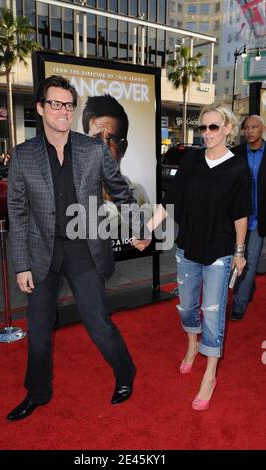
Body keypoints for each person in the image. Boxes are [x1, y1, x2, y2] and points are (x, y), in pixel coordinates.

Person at [7, 75, 138, 421]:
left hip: (84, 249)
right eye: (55, 103)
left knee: (97, 324)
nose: (63, 111)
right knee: (37, 330)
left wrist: (139, 227)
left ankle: (125, 372)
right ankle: (37, 392)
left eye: (68, 104)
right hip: (40, 254)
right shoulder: (22, 156)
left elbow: (121, 192)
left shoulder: (93, 149)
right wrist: (20, 264)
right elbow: (17, 214)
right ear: (40, 108)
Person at [132, 103, 251, 411]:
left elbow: (240, 216)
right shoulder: (191, 161)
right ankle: (191, 345)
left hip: (220, 254)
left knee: (213, 313)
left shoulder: (238, 168)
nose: (207, 133)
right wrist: (147, 230)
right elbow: (168, 201)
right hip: (187, 249)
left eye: (214, 127)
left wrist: (240, 252)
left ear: (227, 129)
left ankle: (210, 374)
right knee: (186, 308)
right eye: (203, 127)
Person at [82, 94, 152, 237]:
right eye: (97, 138)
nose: (104, 147)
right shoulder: (71, 191)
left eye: (113, 139)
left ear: (124, 147)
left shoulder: (139, 193)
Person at [230, 115, 266, 320]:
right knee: (237, 261)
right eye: (247, 128)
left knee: (250, 261)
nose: (250, 131)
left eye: (254, 127)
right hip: (237, 217)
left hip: (259, 218)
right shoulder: (235, 154)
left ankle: (239, 305)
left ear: (262, 129)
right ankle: (248, 286)